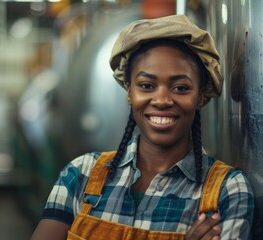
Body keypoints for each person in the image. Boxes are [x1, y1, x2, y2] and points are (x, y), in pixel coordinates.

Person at [31, 15, 254, 240]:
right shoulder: (81, 174)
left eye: (180, 88)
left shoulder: (227, 191)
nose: (162, 100)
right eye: (147, 85)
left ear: (200, 96)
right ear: (129, 91)